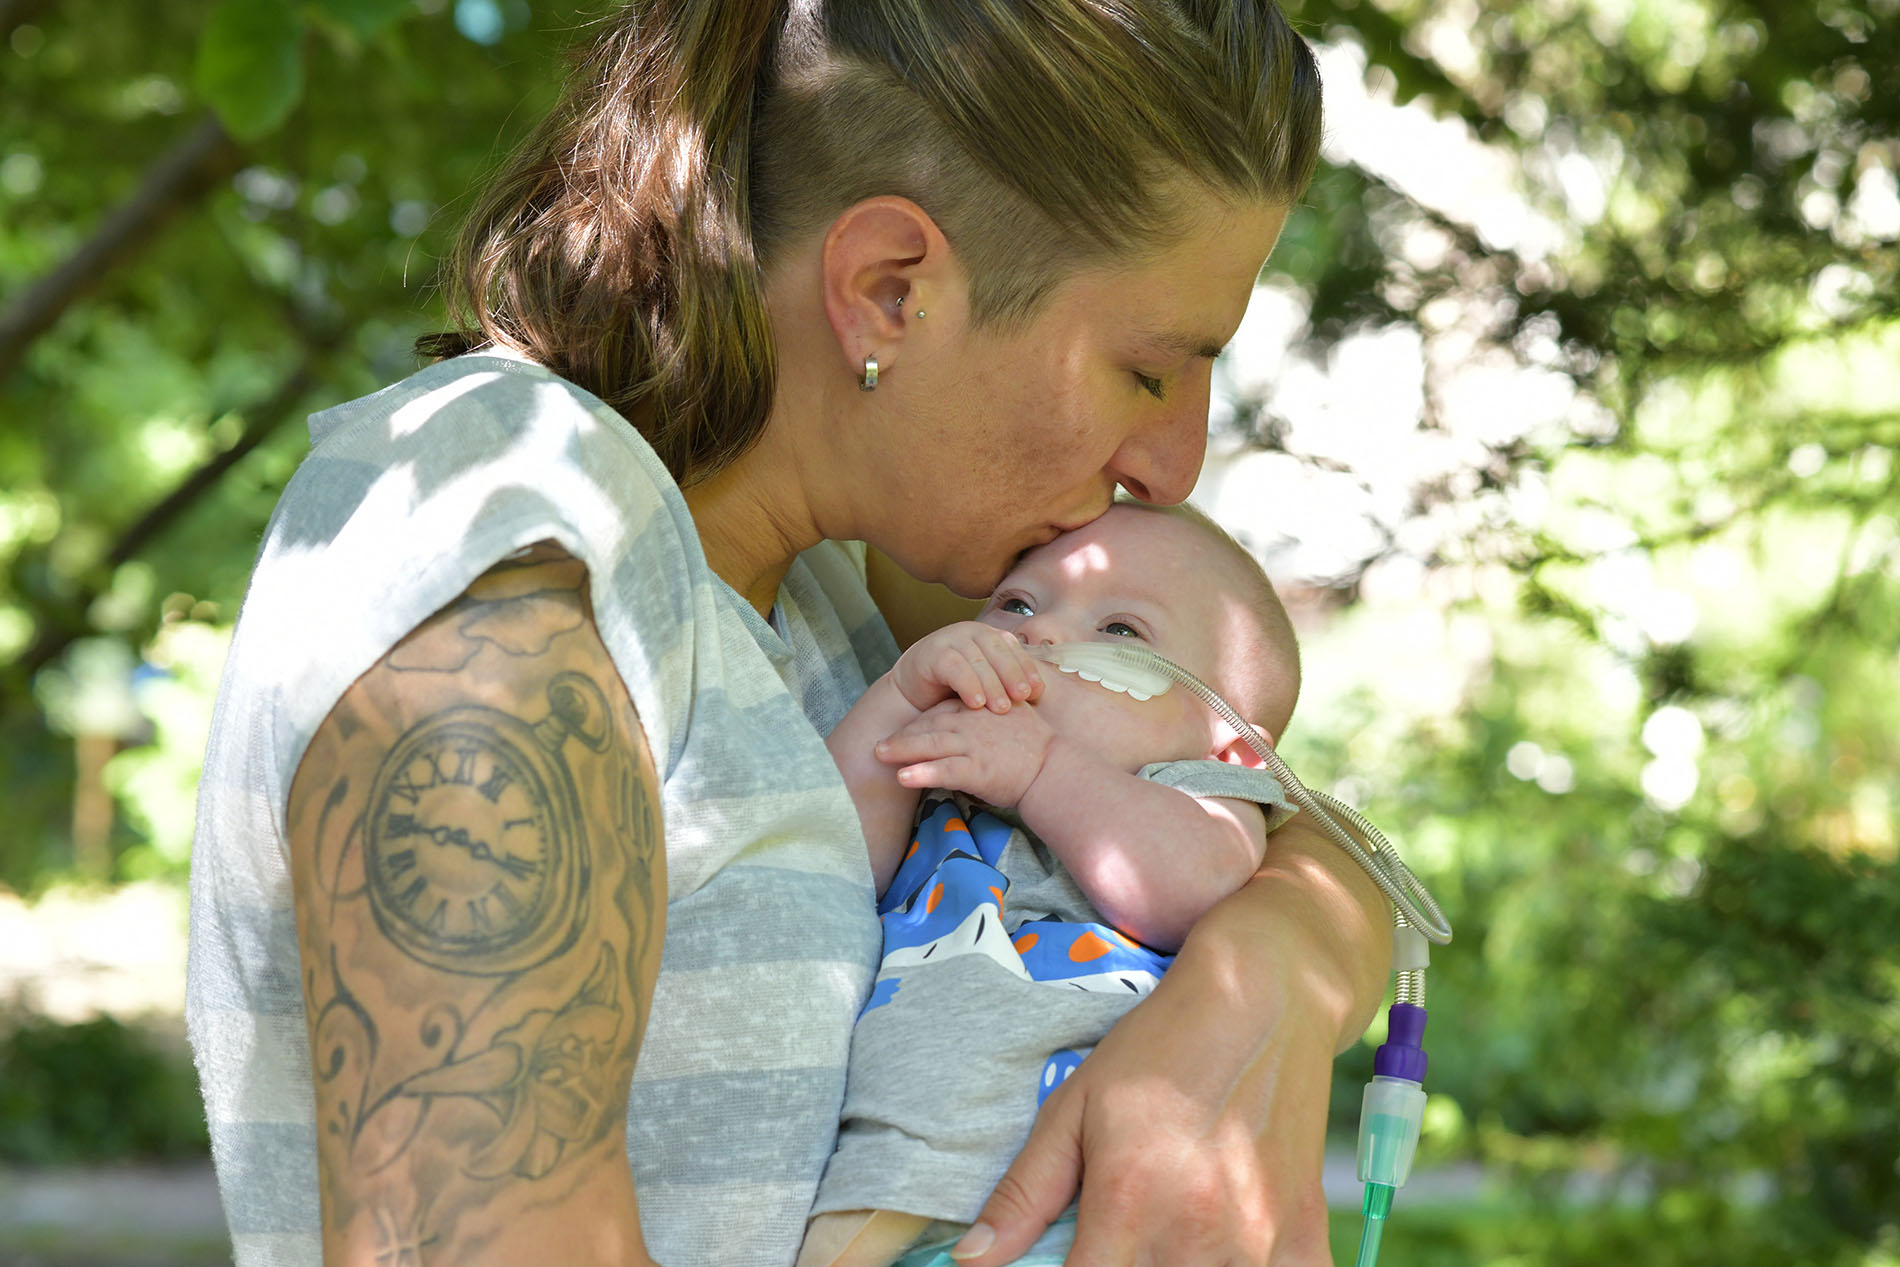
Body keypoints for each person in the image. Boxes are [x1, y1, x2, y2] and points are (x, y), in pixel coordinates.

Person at [184, 4, 1391, 1266]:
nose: (1175, 465)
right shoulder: (506, 536)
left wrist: (1257, 980)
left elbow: (1249, 783)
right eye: (1148, 371)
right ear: (889, 292)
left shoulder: (845, 594)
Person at [799, 500, 1306, 1267]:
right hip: (882, 1176)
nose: (1037, 634)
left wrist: (1043, 771)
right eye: (1016, 603)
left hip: (1077, 1200)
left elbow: (1194, 887)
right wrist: (904, 697)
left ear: (1229, 744)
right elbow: (823, 855)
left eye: (1121, 630)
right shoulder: (953, 775)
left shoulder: (1193, 790)